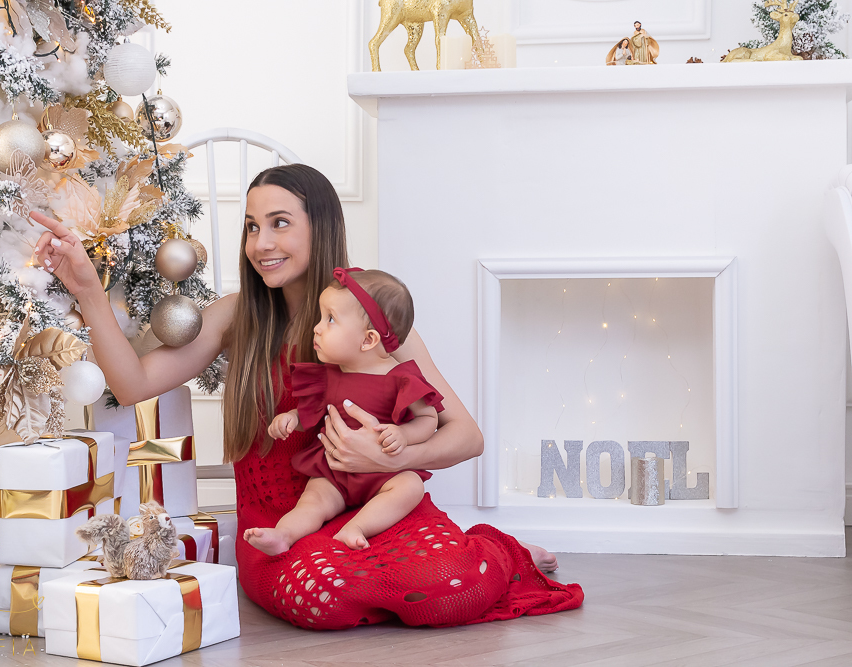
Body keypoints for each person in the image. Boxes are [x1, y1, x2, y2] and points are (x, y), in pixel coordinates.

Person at [31, 164, 583, 629]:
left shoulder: (372, 317)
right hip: (284, 521)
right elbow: (132, 384)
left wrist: (392, 456)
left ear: (320, 228)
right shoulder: (234, 316)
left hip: (377, 507)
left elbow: (467, 434)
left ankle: (492, 552)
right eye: (251, 227)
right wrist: (86, 288)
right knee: (316, 598)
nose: (261, 244)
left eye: (279, 224)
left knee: (449, 586)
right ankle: (404, 581)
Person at [245, 268, 444, 555]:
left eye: (330, 319)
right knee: (313, 501)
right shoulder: (328, 376)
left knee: (411, 486)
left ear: (368, 340)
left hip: (383, 473)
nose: (317, 327)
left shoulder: (402, 378)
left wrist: (403, 434)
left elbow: (429, 419)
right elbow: (310, 412)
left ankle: (358, 526)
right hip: (334, 470)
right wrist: (292, 419)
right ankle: (283, 535)